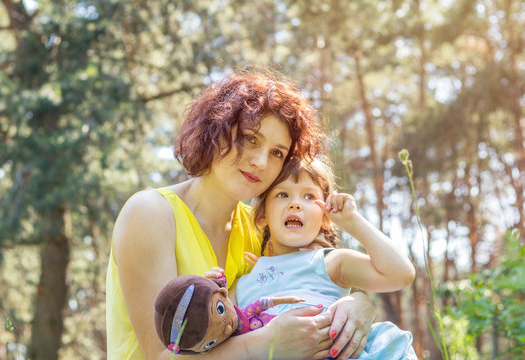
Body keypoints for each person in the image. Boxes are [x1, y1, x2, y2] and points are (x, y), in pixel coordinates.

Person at [106, 69, 376, 360]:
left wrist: (359, 306)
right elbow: (160, 355)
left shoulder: (262, 228)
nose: (260, 162)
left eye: (277, 153)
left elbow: (313, 286)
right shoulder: (150, 213)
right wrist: (263, 344)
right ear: (215, 130)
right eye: (250, 139)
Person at [208, 156, 417, 359]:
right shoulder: (242, 284)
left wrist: (352, 222)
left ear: (325, 217)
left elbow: (401, 275)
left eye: (309, 196)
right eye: (282, 194)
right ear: (262, 215)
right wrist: (207, 289)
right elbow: (213, 331)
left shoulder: (329, 262)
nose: (296, 204)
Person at [153, 275, 304, 354]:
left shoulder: (247, 314)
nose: (227, 330)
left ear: (223, 293)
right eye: (209, 344)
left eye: (219, 309)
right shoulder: (229, 349)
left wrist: (290, 300)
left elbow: (264, 303)